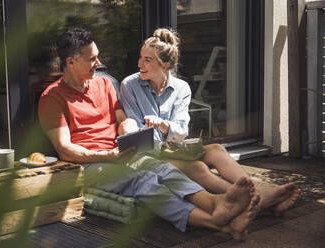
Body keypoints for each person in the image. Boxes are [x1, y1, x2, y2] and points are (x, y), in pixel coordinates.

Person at [38, 27, 259, 240]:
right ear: (70, 62)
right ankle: (218, 221)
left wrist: (129, 127)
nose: (99, 63)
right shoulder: (52, 98)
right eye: (92, 59)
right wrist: (108, 156)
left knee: (165, 171)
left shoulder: (103, 84)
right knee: (143, 182)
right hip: (89, 165)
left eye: (98, 56)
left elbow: (122, 118)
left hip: (119, 153)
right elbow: (65, 149)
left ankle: (217, 206)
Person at [120, 27, 300, 216]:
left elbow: (181, 131)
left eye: (147, 60)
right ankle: (254, 198)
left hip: (174, 149)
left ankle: (257, 194)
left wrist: (163, 125)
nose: (139, 63)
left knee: (216, 150)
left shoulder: (182, 88)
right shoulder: (129, 85)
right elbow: (136, 134)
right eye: (141, 57)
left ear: (165, 65)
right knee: (198, 167)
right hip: (149, 154)